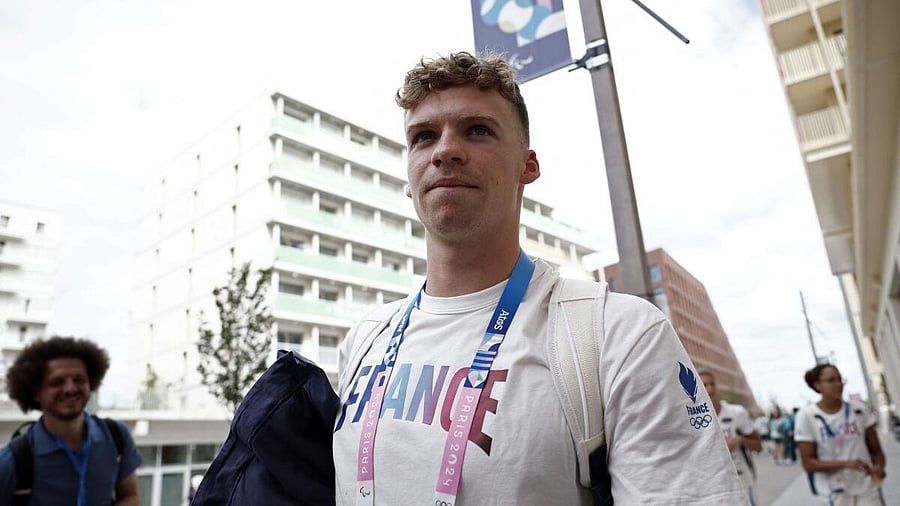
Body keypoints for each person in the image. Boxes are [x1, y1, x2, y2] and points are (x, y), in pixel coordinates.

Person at [331, 51, 745, 504]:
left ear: (527, 166)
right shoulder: (366, 339)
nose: (445, 150)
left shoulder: (619, 335)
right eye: (423, 137)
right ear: (410, 176)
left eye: (478, 130)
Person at [0, 336, 142, 506]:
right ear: (36, 393)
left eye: (79, 380)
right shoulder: (13, 461)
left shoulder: (116, 436)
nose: (70, 388)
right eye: (57, 382)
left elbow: (130, 496)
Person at [795, 363, 886, 505]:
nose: (838, 385)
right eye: (831, 381)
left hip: (866, 488)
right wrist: (846, 464)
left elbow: (876, 450)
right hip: (835, 491)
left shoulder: (859, 410)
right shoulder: (807, 416)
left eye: (840, 380)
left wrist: (879, 468)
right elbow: (808, 463)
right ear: (817, 385)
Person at [701, 371, 763, 505]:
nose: (710, 389)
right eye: (704, 385)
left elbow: (758, 445)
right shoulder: (696, 421)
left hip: (742, 479)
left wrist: (741, 440)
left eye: (712, 384)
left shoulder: (736, 412)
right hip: (715, 484)